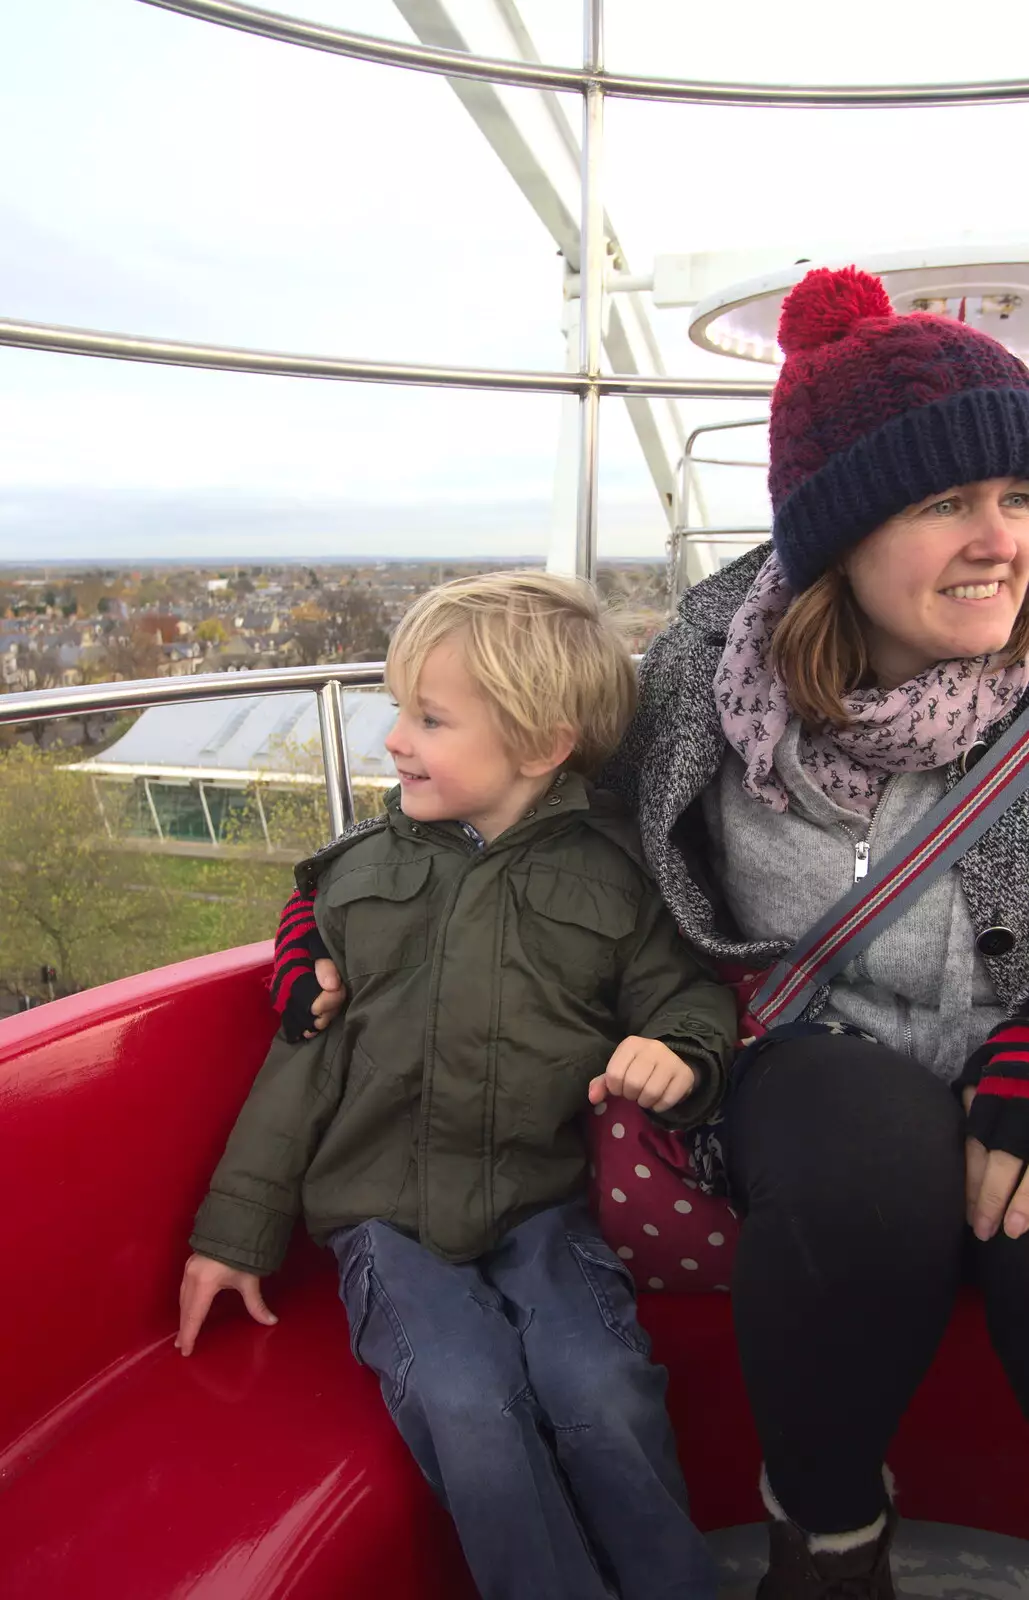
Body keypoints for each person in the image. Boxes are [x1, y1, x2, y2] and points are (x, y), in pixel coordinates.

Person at [284, 268, 1029, 1599]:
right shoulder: (701, 679)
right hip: (805, 1054)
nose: (1000, 540)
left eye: (1019, 497)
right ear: (839, 531)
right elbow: (515, 822)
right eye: (945, 503)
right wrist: (315, 923)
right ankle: (826, 1546)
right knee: (859, 1154)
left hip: (1011, 1060)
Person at [177, 571, 735, 1600]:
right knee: (467, 1405)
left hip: (544, 1204)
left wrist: (682, 1055)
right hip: (385, 1215)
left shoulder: (614, 880)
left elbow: (689, 1000)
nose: (393, 740)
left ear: (541, 745)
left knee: (603, 1388)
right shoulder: (357, 881)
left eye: (429, 718)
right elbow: (303, 1059)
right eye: (399, 709)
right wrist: (231, 1232)